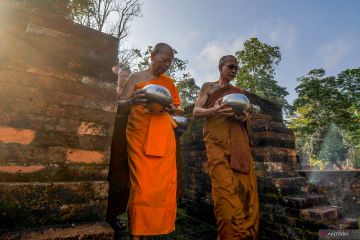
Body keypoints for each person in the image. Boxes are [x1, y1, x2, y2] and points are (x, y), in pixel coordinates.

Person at [117, 43, 183, 240]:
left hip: (163, 134)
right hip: (139, 133)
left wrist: (170, 108)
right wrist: (131, 102)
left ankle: (152, 231)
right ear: (153, 56)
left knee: (161, 187)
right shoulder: (136, 77)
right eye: (164, 60)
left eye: (169, 63)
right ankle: (136, 234)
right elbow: (119, 105)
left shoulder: (169, 83)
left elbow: (178, 109)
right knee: (142, 187)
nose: (166, 65)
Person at [193, 55, 259, 240]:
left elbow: (246, 116)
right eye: (230, 67)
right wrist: (212, 110)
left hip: (238, 144)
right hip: (217, 142)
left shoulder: (239, 92)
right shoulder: (209, 87)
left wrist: (242, 117)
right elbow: (196, 111)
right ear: (221, 67)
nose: (234, 71)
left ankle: (246, 234)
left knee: (245, 190)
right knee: (224, 191)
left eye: (236, 68)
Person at [106, 64, 132, 233]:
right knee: (113, 175)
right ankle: (107, 215)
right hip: (113, 138)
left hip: (129, 138)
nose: (124, 79)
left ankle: (115, 214)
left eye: (127, 77)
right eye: (122, 76)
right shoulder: (111, 93)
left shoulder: (133, 93)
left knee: (126, 178)